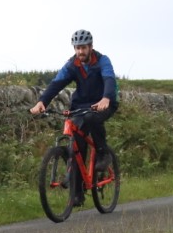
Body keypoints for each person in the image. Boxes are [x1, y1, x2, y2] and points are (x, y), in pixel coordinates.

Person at [30, 29, 118, 206]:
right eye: (77, 48)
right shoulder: (72, 64)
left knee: (94, 118)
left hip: (104, 102)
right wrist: (42, 102)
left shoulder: (102, 61)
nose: (80, 52)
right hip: (81, 106)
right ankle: (77, 194)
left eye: (83, 48)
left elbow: (109, 80)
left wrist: (106, 98)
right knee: (77, 146)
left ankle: (102, 154)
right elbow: (56, 83)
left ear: (91, 47)